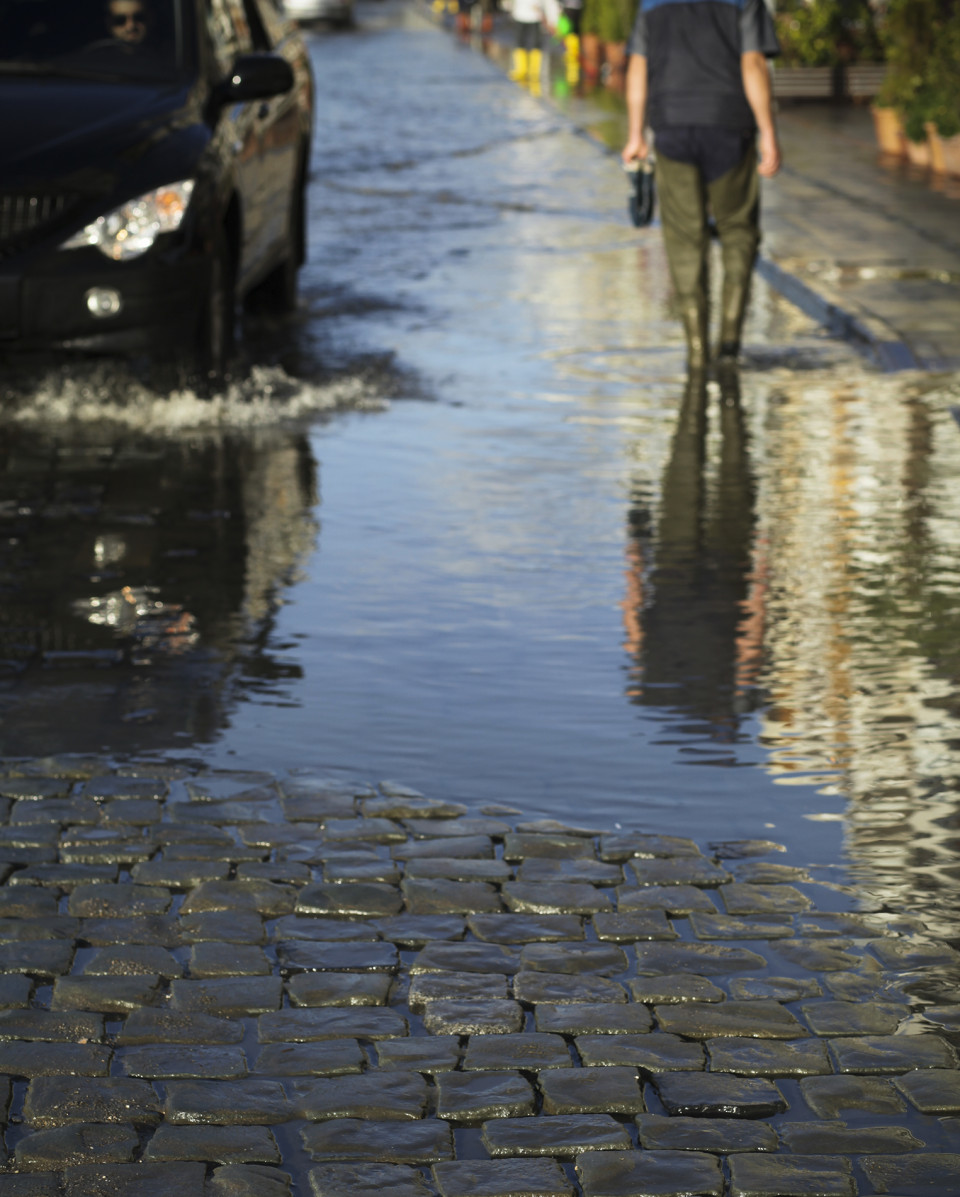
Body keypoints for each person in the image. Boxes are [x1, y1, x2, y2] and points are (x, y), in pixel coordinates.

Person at [621, 0, 781, 370]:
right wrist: (769, 132)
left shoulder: (650, 4)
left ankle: (696, 350)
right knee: (738, 231)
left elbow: (638, 68)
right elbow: (753, 63)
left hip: (672, 125)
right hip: (729, 123)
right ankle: (728, 347)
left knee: (683, 238)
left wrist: (635, 134)